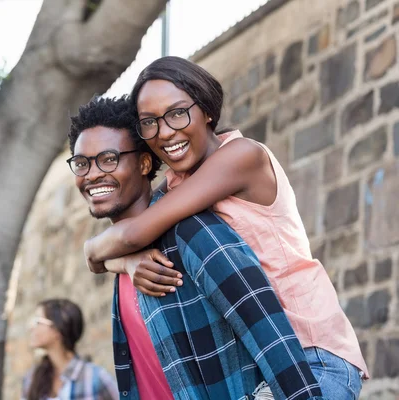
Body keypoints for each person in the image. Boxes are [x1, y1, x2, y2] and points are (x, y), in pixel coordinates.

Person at [83, 56, 367, 400]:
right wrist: (125, 262)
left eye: (177, 113)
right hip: (265, 360)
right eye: (149, 122)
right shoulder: (178, 189)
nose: (165, 132)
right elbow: (114, 254)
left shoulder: (242, 157)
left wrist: (91, 248)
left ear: (207, 111)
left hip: (311, 354)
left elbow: (132, 234)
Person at [21, 298, 118, 400]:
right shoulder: (31, 379)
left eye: (38, 322)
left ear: (57, 329)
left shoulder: (96, 378)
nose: (31, 328)